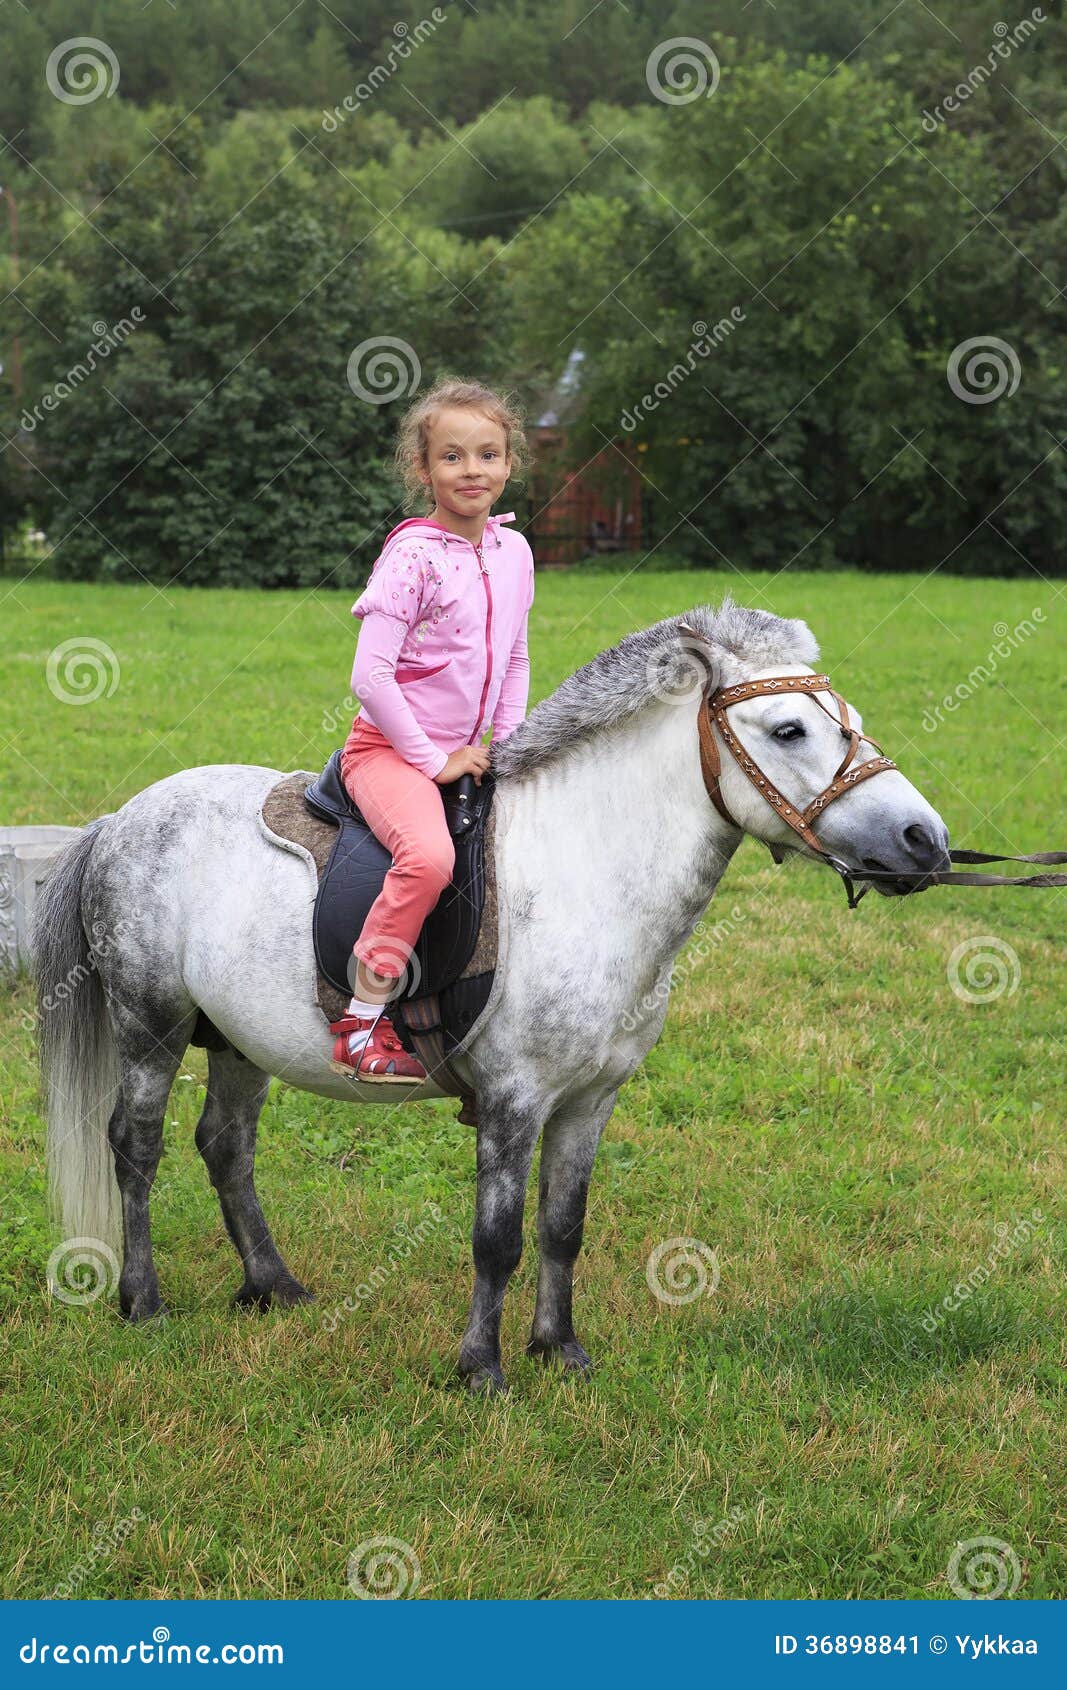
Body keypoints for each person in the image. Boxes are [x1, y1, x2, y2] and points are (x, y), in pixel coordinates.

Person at [329, 377, 535, 1081]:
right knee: (430, 859)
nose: (471, 470)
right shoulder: (411, 557)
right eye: (452, 457)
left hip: (474, 750)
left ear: (509, 463)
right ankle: (360, 1025)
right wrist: (432, 759)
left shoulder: (515, 554)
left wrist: (504, 746)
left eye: (487, 454)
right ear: (424, 470)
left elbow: (513, 654)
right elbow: (370, 677)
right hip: (389, 751)